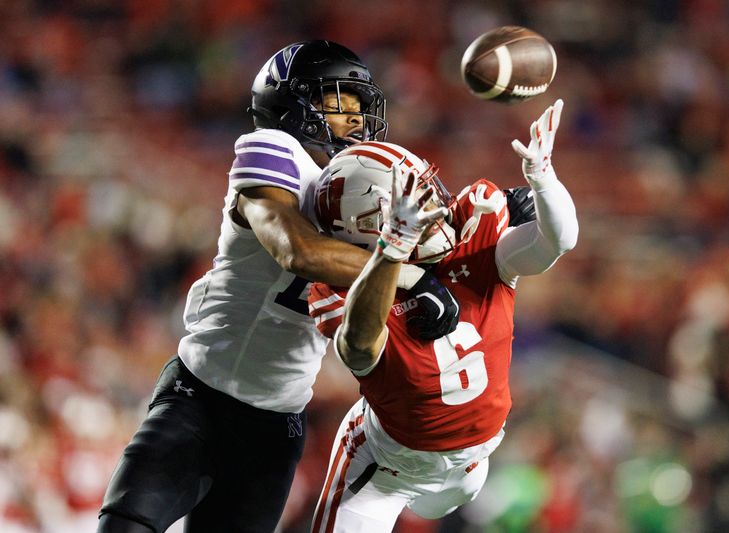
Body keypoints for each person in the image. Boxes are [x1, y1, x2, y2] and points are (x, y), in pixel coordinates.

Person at [97, 40, 462, 533]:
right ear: (293, 103)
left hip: (276, 424)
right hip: (200, 396)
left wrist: (508, 214)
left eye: (359, 106)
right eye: (339, 101)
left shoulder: (358, 187)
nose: (354, 119)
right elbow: (297, 251)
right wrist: (409, 275)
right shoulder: (274, 149)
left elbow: (442, 233)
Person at [308, 100, 578, 532]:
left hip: (475, 464)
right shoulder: (340, 290)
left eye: (429, 189)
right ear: (372, 226)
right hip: (387, 467)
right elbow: (358, 348)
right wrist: (394, 252)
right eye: (414, 204)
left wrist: (544, 180)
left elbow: (556, 242)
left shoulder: (474, 232)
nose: (438, 205)